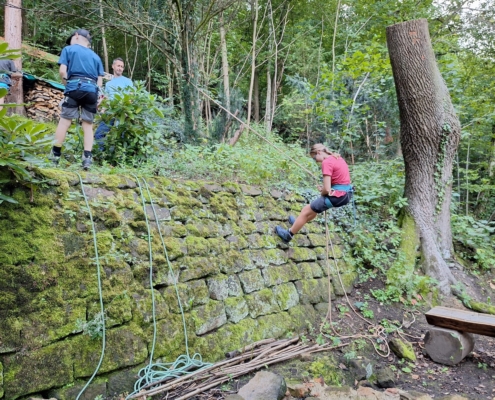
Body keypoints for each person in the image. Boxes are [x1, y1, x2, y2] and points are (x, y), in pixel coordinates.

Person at [275, 143, 353, 243]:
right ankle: (298, 223)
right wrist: (325, 189)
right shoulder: (337, 157)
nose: (315, 160)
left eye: (314, 157)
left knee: (305, 211)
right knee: (313, 209)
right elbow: (339, 180)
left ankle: (288, 235)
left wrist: (323, 192)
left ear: (319, 152)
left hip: (338, 196)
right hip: (346, 194)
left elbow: (327, 189)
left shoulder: (326, 162)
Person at [50, 29, 105, 169]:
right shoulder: (96, 57)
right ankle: (87, 159)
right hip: (92, 91)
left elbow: (62, 71)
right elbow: (100, 81)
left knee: (64, 122)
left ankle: (55, 155)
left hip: (74, 87)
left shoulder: (69, 49)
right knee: (88, 125)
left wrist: (67, 85)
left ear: (76, 36)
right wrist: (99, 96)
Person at [94, 57, 133, 151]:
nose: (120, 68)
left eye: (122, 67)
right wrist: (102, 109)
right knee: (98, 134)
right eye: (118, 66)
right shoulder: (108, 84)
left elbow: (131, 97)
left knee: (120, 137)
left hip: (122, 112)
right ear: (113, 66)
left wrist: (127, 111)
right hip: (110, 112)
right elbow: (106, 98)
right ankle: (101, 155)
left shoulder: (127, 81)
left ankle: (119, 157)